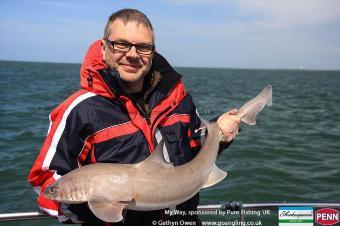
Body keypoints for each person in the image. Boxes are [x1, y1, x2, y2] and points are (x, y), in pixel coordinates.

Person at [28, 9, 240, 226]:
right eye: (120, 44)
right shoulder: (80, 110)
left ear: (152, 52)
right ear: (104, 47)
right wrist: (99, 209)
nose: (132, 54)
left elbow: (195, 148)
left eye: (143, 47)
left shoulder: (178, 99)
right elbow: (46, 181)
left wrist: (219, 134)